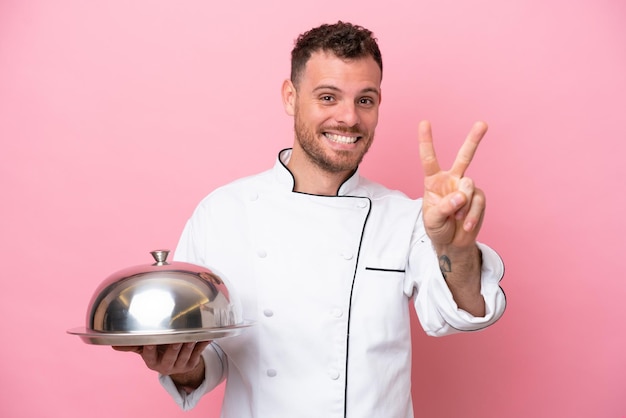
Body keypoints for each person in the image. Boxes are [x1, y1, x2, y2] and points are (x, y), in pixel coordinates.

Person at [114, 21, 506, 417]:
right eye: (328, 97)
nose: (349, 118)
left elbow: (463, 312)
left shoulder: (405, 218)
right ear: (290, 96)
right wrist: (183, 367)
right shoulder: (222, 212)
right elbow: (208, 353)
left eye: (365, 100)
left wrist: (455, 247)